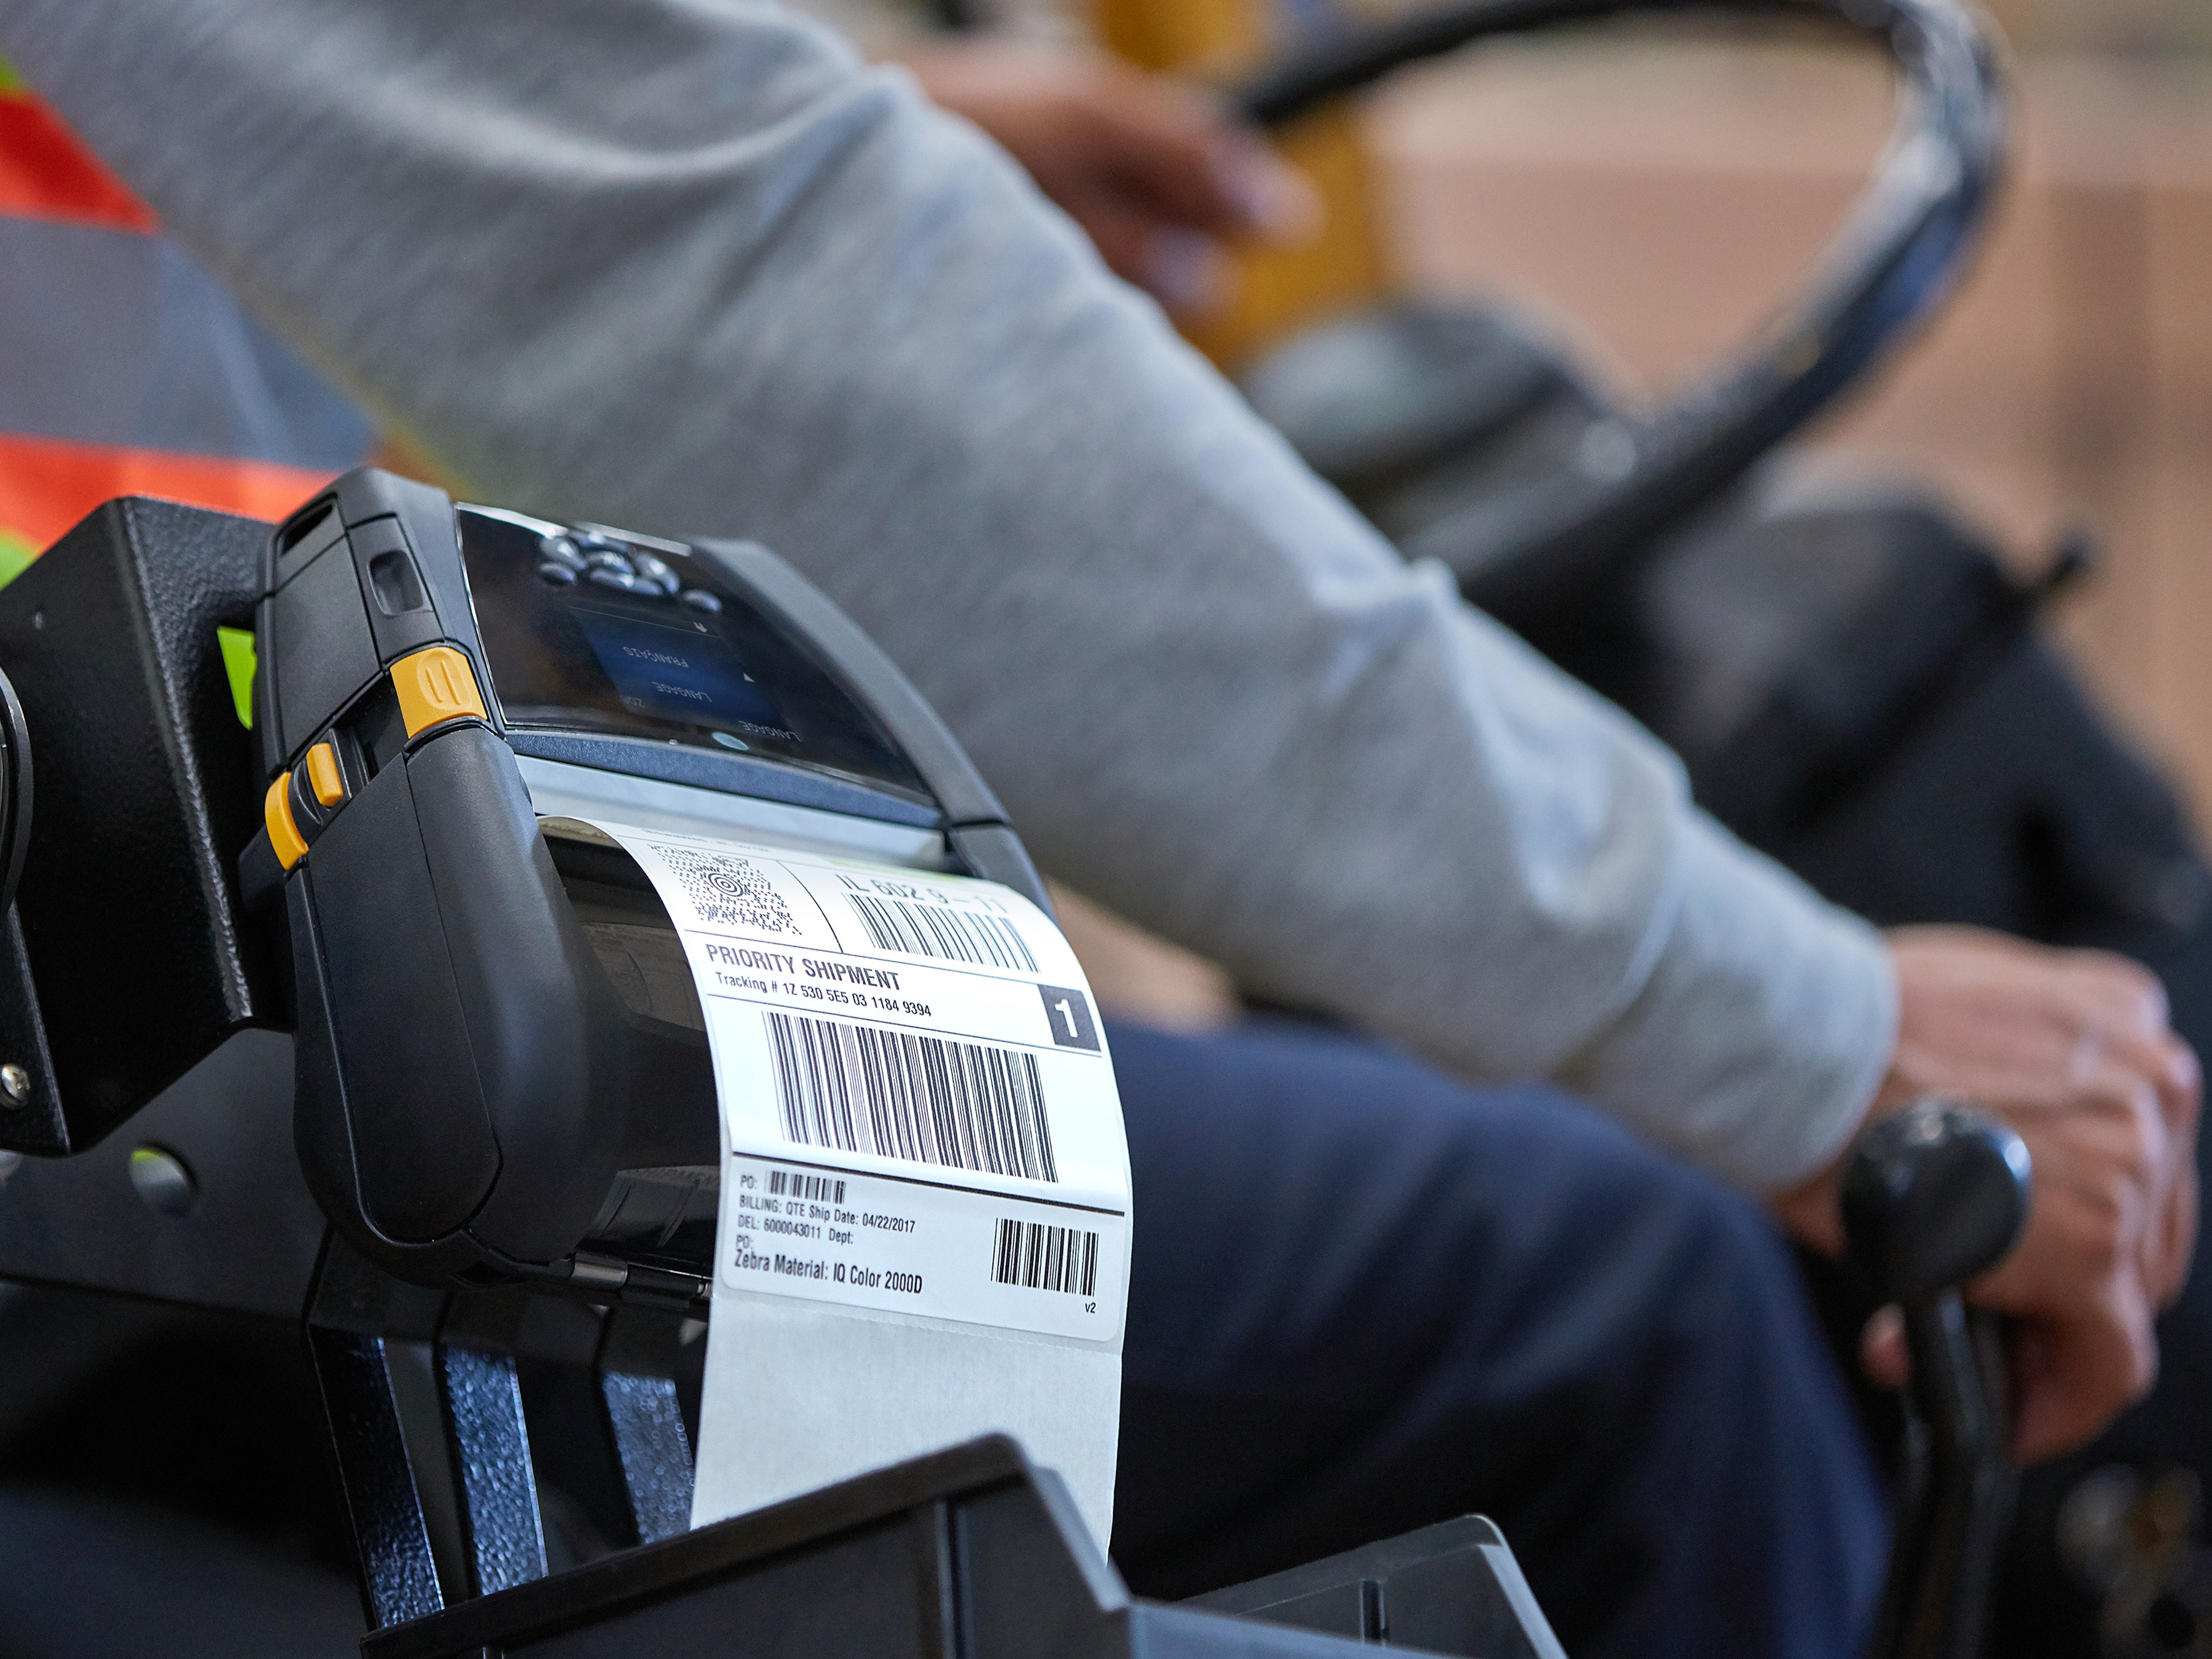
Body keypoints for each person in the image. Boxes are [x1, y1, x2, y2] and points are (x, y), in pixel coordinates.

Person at [0, 3, 2194, 1657]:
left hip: (146, 964)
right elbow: (736, 283)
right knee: (1628, 1312)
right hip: (124, 1096)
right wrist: (1790, 1023)